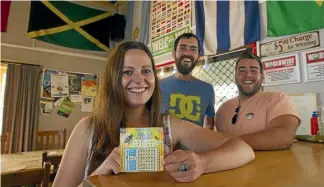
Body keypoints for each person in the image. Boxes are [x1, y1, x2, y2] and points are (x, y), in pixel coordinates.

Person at [53, 41, 255, 187]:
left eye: (146, 71)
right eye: (127, 72)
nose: (139, 79)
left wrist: (202, 163)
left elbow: (244, 150)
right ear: (113, 79)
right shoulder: (88, 129)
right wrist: (98, 176)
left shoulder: (170, 126)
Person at [215, 51, 301, 151]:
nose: (248, 74)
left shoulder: (278, 99)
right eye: (242, 70)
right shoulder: (223, 109)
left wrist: (230, 143)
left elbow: (284, 137)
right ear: (235, 77)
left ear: (262, 78)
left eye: (254, 70)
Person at [160, 33, 216, 130]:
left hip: (195, 144)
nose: (187, 53)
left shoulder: (207, 89)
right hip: (163, 144)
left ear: (198, 55)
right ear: (173, 53)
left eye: (193, 49)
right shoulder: (158, 86)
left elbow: (209, 125)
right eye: (182, 48)